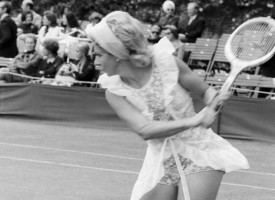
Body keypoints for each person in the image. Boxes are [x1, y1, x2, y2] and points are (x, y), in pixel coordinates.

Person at [89, 11, 249, 200]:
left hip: (199, 149)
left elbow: (205, 92)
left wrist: (215, 99)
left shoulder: (166, 62)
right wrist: (195, 120)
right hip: (161, 158)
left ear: (116, 53)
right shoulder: (113, 91)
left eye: (98, 55)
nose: (94, 60)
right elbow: (145, 129)